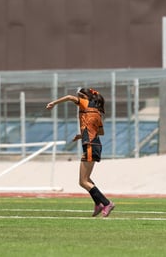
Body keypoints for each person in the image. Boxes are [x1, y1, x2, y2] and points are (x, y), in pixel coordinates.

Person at [46, 87, 115, 217]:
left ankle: (106, 203)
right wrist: (81, 135)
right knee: (86, 179)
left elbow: (69, 97)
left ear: (83, 96)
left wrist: (53, 103)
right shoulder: (97, 111)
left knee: (83, 181)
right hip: (95, 144)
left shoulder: (85, 103)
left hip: (90, 146)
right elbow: (100, 132)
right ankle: (98, 203)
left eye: (79, 96)